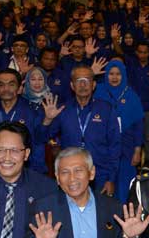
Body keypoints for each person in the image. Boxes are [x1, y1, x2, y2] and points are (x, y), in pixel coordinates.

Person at [48, 65, 121, 197]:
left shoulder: (106, 109)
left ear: (93, 85)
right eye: (78, 80)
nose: (82, 84)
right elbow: (43, 137)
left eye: (86, 80)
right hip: (71, 175)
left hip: (100, 173)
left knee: (100, 215)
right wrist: (47, 120)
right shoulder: (62, 109)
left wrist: (111, 179)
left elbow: (115, 145)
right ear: (72, 85)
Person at [96, 60, 144, 201]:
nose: (114, 77)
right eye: (111, 74)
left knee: (125, 185)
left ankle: (124, 216)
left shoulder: (131, 95)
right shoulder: (97, 91)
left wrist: (137, 150)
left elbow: (139, 125)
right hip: (103, 147)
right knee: (103, 184)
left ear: (123, 75)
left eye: (118, 74)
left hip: (126, 147)